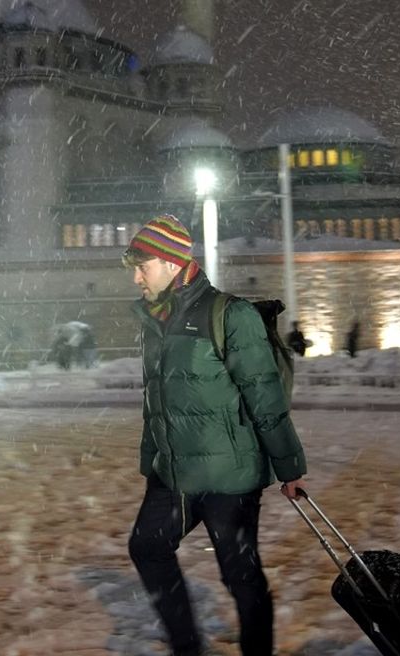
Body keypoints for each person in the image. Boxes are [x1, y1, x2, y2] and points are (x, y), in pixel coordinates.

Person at [122, 215, 308, 656]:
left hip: (229, 476)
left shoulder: (231, 315)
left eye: (142, 266)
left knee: (240, 576)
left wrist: (290, 468)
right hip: (173, 475)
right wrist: (153, 460)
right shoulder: (155, 320)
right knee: (147, 547)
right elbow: (158, 400)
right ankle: (187, 648)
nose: (135, 277)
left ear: (171, 263)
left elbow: (265, 398)